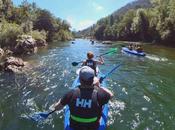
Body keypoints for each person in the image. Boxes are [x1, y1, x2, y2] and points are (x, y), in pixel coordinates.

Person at [50, 66, 113, 130]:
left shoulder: (70, 94)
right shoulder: (100, 93)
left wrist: (62, 100)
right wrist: (100, 87)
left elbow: (57, 108)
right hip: (93, 127)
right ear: (93, 79)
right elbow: (111, 95)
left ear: (80, 79)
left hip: (74, 127)